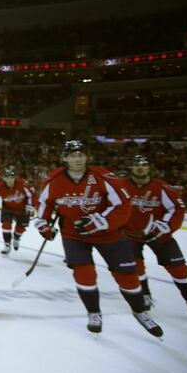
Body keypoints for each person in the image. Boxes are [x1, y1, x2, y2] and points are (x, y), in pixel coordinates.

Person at [34, 140, 163, 337]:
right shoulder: (54, 180)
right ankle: (93, 313)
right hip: (74, 235)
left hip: (109, 234)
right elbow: (45, 204)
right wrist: (43, 224)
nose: (77, 158)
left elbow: (123, 205)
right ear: (65, 158)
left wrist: (101, 221)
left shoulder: (103, 176)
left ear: (87, 157)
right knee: (84, 274)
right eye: (72, 155)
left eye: (81, 154)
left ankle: (140, 311)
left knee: (127, 275)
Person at [121, 154, 187, 315]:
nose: (140, 168)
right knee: (135, 268)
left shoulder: (162, 187)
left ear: (149, 168)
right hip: (130, 235)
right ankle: (145, 295)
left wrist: (165, 227)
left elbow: (177, 208)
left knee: (180, 269)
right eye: (136, 165)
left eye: (143, 165)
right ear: (131, 168)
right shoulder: (121, 186)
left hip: (159, 235)